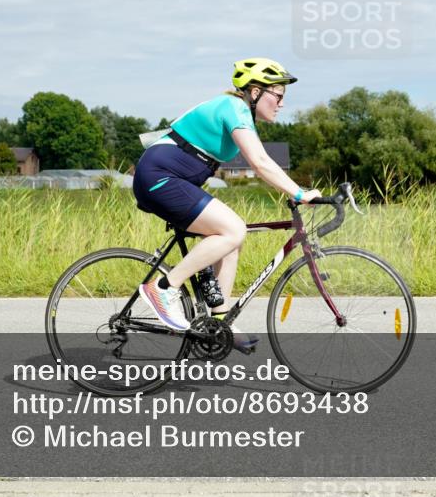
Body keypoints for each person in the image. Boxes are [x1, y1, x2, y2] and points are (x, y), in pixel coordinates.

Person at [132, 58, 322, 346]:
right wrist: (299, 193)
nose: (282, 103)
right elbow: (259, 162)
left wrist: (296, 191)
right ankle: (164, 288)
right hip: (159, 177)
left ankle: (218, 322)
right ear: (255, 91)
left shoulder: (237, 111)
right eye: (278, 95)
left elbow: (258, 160)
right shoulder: (234, 107)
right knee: (233, 229)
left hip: (169, 179)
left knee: (231, 240)